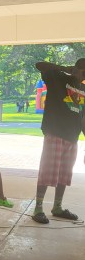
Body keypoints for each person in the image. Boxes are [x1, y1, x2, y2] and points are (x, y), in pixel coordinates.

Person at [31, 59, 85, 224]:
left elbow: (82, 115)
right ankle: (38, 209)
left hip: (72, 136)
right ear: (77, 68)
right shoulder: (58, 77)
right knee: (47, 172)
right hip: (55, 131)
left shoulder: (83, 88)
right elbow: (39, 64)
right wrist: (66, 68)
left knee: (64, 174)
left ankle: (57, 207)